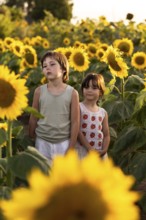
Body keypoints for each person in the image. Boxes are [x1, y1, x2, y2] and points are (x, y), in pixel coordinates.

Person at [29, 51, 80, 164]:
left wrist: (71, 146)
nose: (48, 68)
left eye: (52, 64)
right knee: (43, 174)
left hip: (64, 142)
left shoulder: (72, 93)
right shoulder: (39, 91)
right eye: (45, 66)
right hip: (42, 141)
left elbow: (75, 122)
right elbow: (33, 116)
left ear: (63, 69)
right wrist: (31, 135)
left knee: (62, 176)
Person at [76, 73, 110, 159]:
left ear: (101, 92)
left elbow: (106, 135)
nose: (89, 90)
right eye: (86, 87)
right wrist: (89, 148)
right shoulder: (79, 107)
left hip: (99, 153)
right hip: (83, 151)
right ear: (82, 89)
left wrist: (104, 149)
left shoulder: (103, 112)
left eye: (94, 88)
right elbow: (77, 131)